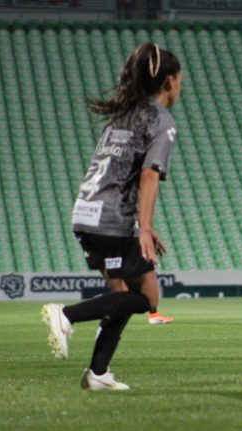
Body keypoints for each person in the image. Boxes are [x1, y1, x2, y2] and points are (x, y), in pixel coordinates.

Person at [41, 43, 183, 390]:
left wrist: (141, 225)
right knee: (147, 299)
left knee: (123, 295)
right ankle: (66, 315)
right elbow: (149, 174)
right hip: (111, 218)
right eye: (180, 80)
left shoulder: (123, 114)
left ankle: (98, 374)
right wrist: (144, 227)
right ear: (169, 81)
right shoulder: (161, 120)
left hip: (86, 213)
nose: (180, 87)